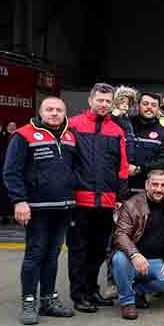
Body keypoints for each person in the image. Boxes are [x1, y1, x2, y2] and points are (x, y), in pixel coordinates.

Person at [3, 97, 77, 323]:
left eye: (59, 110)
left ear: (65, 113)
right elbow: (11, 172)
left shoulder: (70, 136)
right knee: (35, 254)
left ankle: (48, 301)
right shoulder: (23, 135)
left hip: (63, 208)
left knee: (53, 255)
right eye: (49, 109)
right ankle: (28, 302)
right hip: (36, 209)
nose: (54, 113)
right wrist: (19, 201)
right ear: (40, 112)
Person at [67, 83, 129, 313]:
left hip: (106, 201)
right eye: (100, 100)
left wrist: (120, 196)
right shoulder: (73, 125)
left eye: (107, 101)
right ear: (90, 100)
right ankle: (79, 294)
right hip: (79, 201)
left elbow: (122, 167)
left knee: (98, 250)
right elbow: (66, 162)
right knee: (78, 249)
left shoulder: (117, 130)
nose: (103, 105)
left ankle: (92, 290)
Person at [108, 170, 164, 320]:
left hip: (156, 260)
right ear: (146, 185)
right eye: (155, 184)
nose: (159, 189)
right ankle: (127, 302)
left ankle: (138, 290)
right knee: (119, 259)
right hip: (133, 260)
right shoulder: (131, 205)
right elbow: (120, 234)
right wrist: (135, 254)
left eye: (163, 185)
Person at [125, 91, 164, 197]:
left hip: (149, 194)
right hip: (122, 191)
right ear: (138, 105)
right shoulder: (125, 127)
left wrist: (139, 169)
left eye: (153, 105)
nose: (149, 108)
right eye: (145, 104)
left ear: (158, 108)